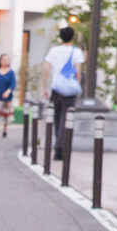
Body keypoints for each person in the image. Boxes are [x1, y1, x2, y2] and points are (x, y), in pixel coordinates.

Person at [42, 26, 83, 161]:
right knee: (66, 119)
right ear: (73, 37)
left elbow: (46, 70)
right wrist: (77, 87)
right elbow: (78, 72)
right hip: (70, 91)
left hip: (56, 88)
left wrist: (45, 88)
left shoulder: (54, 51)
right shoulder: (76, 52)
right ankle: (60, 147)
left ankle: (58, 146)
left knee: (57, 118)